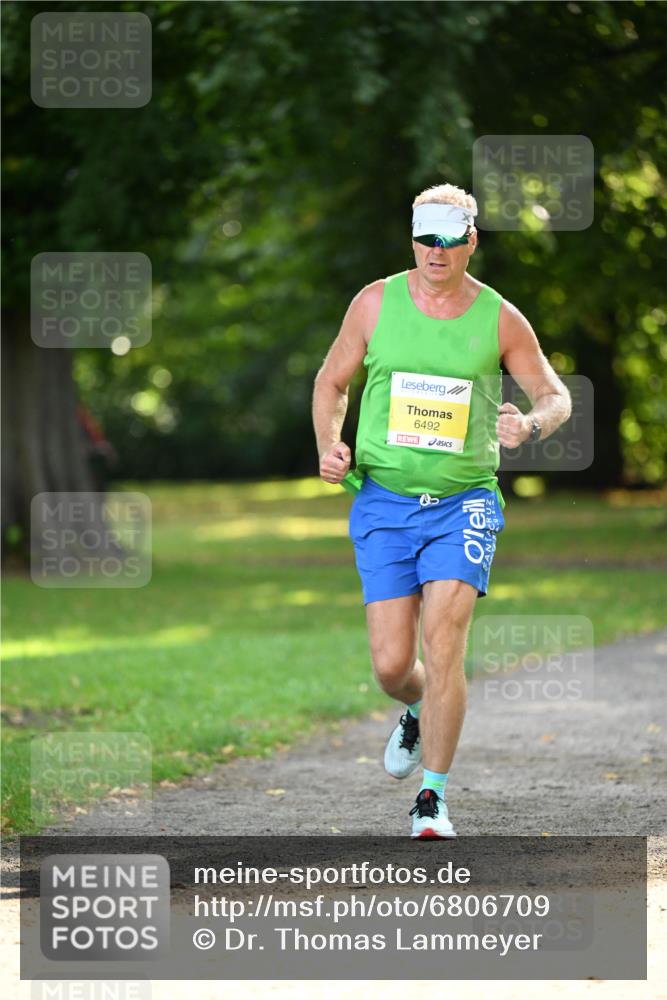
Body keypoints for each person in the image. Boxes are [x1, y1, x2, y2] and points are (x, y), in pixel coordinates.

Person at [312, 182, 571, 838]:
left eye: (450, 240)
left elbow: (554, 394)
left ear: (470, 242)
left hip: (463, 504)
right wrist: (329, 444)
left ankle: (431, 797)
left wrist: (531, 425)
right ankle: (415, 708)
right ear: (412, 239)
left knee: (444, 641)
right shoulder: (374, 304)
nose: (436, 250)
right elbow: (330, 382)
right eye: (426, 238)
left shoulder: (499, 317)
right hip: (382, 503)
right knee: (392, 665)